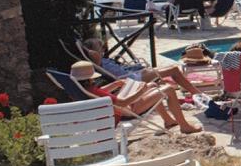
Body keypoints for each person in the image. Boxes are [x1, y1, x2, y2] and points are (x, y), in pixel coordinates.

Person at [70, 60, 202, 133]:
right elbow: (122, 102)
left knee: (152, 85)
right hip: (127, 110)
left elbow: (100, 92)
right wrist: (140, 91)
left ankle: (168, 120)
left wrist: (115, 84)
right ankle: (184, 126)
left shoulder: (83, 89)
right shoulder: (93, 91)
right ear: (90, 78)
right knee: (168, 89)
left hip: (122, 107)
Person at [81, 38, 204, 97]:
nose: (103, 47)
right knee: (174, 70)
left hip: (133, 74)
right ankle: (197, 94)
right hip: (133, 79)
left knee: (171, 69)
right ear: (93, 51)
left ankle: (195, 92)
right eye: (99, 46)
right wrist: (87, 49)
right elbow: (92, 54)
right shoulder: (97, 60)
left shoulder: (102, 59)